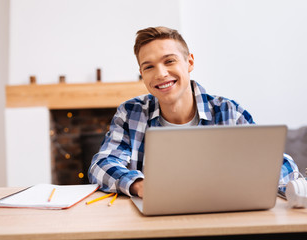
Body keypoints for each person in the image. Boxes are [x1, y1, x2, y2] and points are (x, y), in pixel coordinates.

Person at [88, 26, 298, 198]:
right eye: (149, 67)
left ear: (189, 63)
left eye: (169, 61)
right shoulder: (130, 112)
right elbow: (102, 164)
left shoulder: (228, 111)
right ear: (142, 74)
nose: (161, 74)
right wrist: (140, 185)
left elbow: (281, 165)